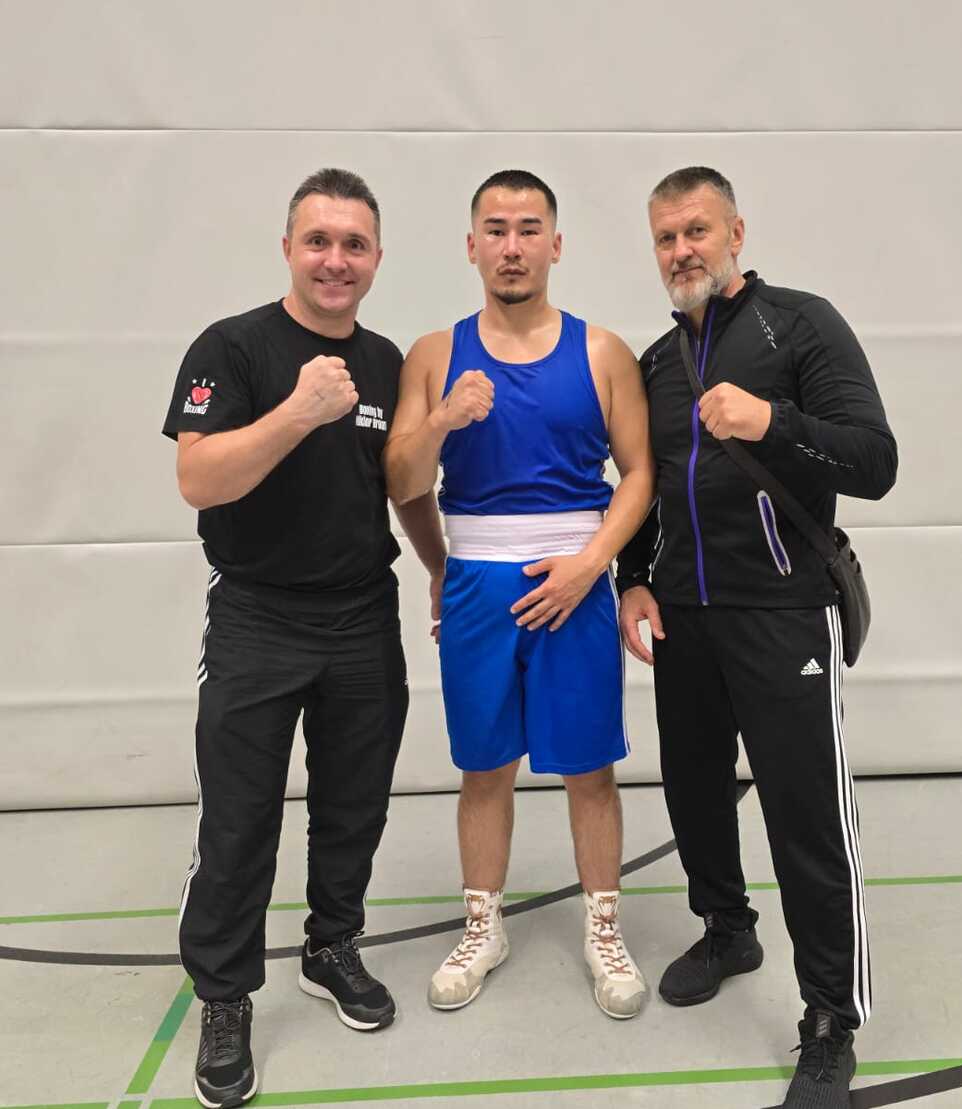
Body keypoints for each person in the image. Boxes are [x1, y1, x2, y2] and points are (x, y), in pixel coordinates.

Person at [163, 168, 446, 1109]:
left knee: (354, 804)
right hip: (257, 617)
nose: (335, 260)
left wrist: (442, 569)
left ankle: (331, 945)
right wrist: (296, 411)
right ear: (289, 247)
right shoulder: (234, 347)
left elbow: (403, 483)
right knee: (239, 817)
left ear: (375, 259)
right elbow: (200, 480)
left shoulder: (387, 360)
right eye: (318, 241)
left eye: (353, 244)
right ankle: (226, 993)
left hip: (362, 614)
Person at [616, 166, 897, 1107]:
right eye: (664, 238)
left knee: (806, 818)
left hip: (783, 614)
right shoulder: (656, 364)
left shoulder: (798, 324)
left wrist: (769, 419)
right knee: (694, 795)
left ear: (735, 230)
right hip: (685, 619)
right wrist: (633, 581)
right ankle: (727, 928)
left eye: (696, 229)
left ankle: (829, 1016)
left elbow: (875, 460)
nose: (681, 250)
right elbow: (644, 492)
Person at [384, 169, 655, 1020]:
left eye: (528, 228)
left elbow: (639, 472)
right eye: (494, 229)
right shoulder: (433, 354)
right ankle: (482, 924)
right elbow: (398, 479)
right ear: (471, 246)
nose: (511, 245)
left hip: (574, 581)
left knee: (589, 769)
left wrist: (592, 563)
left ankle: (603, 927)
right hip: (476, 582)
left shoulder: (602, 350)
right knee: (483, 766)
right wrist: (440, 422)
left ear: (555, 244)